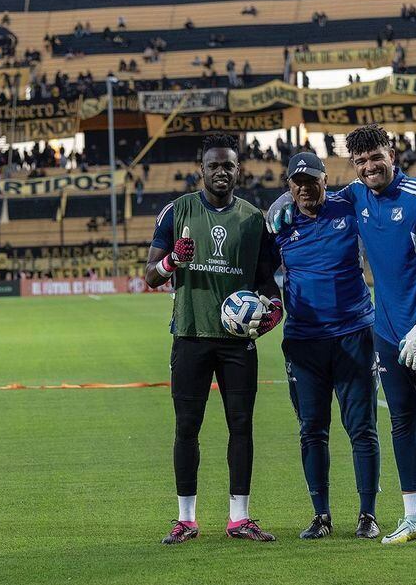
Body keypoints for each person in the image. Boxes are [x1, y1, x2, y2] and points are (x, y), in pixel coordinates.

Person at [266, 124, 416, 550]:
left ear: (392, 153)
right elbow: (311, 196)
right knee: (400, 423)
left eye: (375, 157)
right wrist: (282, 198)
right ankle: (413, 517)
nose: (368, 166)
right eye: (360, 161)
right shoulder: (357, 196)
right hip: (385, 333)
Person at [146, 133, 283, 545]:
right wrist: (173, 260)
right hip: (190, 334)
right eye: (214, 166)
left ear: (238, 170)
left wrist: (273, 311)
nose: (221, 172)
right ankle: (186, 519)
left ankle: (238, 518)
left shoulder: (253, 219)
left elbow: (267, 283)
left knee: (240, 426)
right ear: (201, 170)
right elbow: (150, 275)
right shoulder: (177, 211)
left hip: (237, 341)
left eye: (228, 165)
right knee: (187, 427)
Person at [273, 153, 381, 540]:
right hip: (304, 343)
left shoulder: (348, 206)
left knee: (362, 429)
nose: (304, 188)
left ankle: (367, 514)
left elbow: (377, 193)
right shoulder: (279, 226)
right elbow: (262, 277)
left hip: (354, 335)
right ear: (289, 186)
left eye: (311, 181)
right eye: (296, 183)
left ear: (325, 180)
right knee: (311, 430)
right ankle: (321, 515)